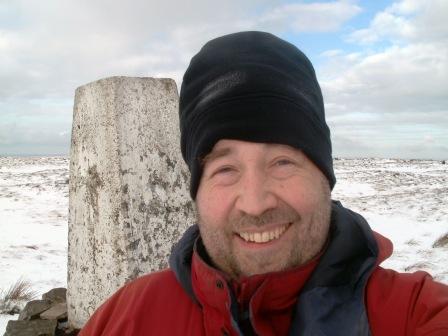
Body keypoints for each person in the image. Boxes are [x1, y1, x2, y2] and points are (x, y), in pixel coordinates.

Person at [79, 31, 448, 335]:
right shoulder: (126, 318)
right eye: (225, 169)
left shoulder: (414, 314)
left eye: (283, 162)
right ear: (197, 187)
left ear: (324, 175)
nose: (255, 203)